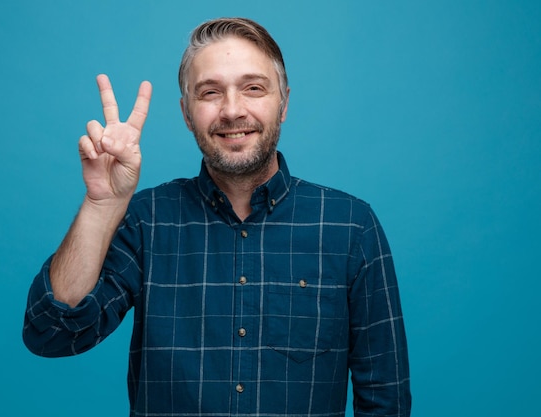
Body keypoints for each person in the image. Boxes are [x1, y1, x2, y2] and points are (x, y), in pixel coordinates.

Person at [23, 17, 411, 416]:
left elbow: (386, 399)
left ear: (284, 104)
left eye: (253, 88)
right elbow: (51, 334)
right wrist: (101, 204)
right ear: (187, 113)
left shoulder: (351, 227)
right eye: (210, 92)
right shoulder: (146, 220)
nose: (231, 110)